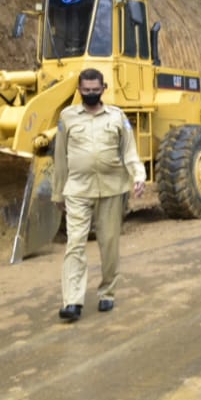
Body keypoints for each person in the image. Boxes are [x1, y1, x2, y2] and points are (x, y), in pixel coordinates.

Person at [52, 68, 146, 322]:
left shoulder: (117, 117)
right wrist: (57, 192)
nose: (91, 94)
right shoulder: (67, 117)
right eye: (86, 90)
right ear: (79, 90)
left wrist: (138, 175)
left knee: (109, 243)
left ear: (103, 88)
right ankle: (72, 301)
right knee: (75, 243)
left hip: (111, 189)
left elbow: (129, 152)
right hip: (78, 189)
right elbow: (60, 158)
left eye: (95, 90)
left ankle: (107, 291)